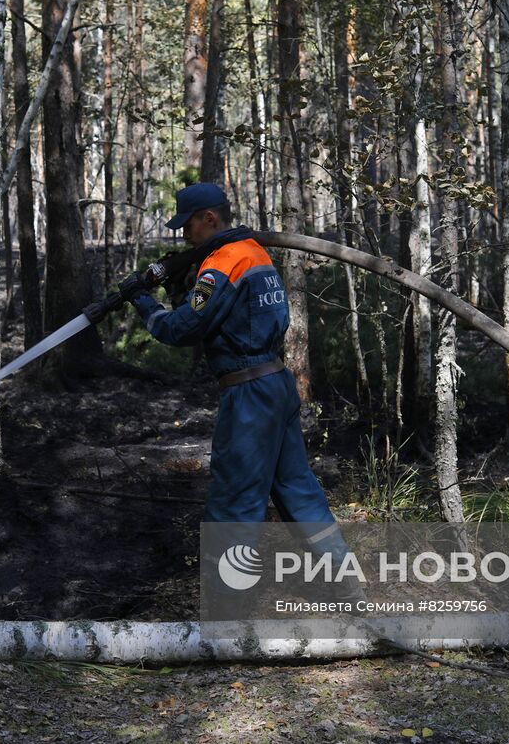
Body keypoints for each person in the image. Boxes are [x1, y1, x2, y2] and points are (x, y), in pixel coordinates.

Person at [122, 183, 356, 607]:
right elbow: (219, 317)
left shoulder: (223, 262)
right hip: (276, 384)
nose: (185, 235)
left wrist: (142, 301)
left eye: (188, 225)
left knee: (234, 498)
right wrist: (177, 286)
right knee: (298, 490)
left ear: (210, 218)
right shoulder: (255, 254)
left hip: (249, 394)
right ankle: (347, 585)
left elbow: (181, 329)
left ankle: (227, 607)